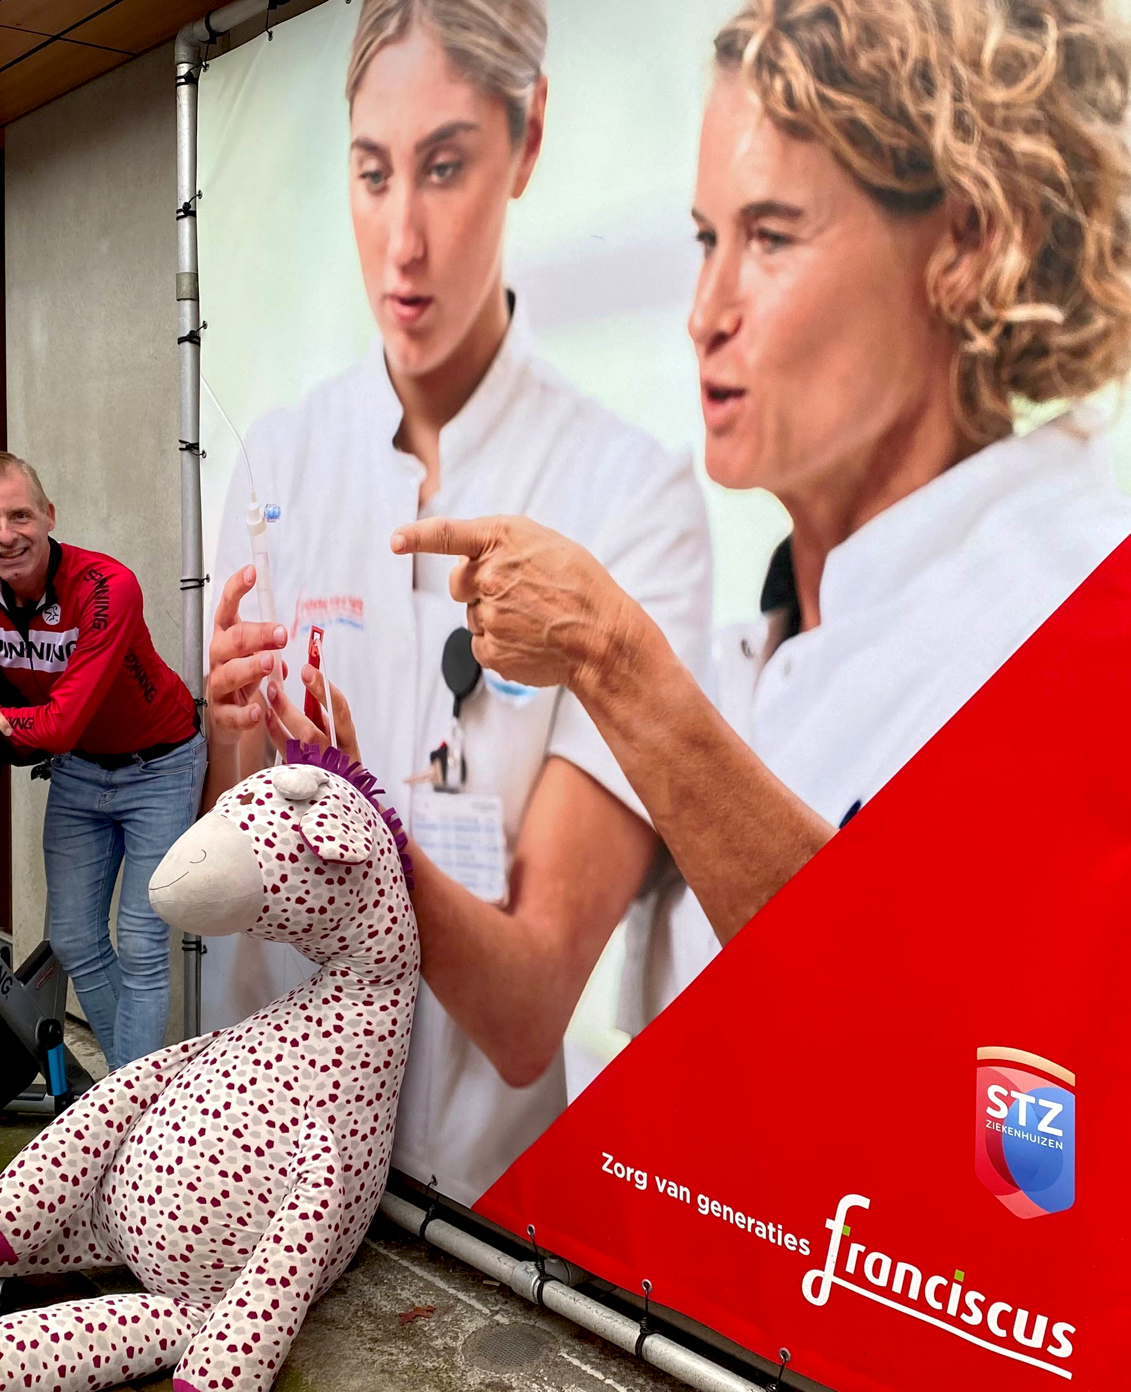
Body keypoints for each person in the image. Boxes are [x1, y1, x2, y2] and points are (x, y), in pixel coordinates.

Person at [390, 0, 1131, 1031]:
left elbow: (938, 1043)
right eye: (705, 238)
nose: (703, 312)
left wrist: (616, 661)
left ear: (967, 242)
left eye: (771, 237)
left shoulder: (1078, 615)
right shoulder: (757, 652)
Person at [205, 0, 712, 1208]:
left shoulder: (631, 498)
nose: (403, 244)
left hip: (487, 1200)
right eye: (374, 175)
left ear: (527, 141)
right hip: (269, 1152)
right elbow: (228, 860)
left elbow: (533, 1011)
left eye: (445, 168)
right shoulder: (280, 458)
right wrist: (234, 743)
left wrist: (360, 811)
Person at [0, 452, 206, 1073]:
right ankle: (137, 1098)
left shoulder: (105, 585)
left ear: (49, 515)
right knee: (73, 940)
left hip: (161, 767)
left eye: (20, 514)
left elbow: (62, 722)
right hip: (78, 772)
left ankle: (134, 1116)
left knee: (144, 944)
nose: (5, 534)